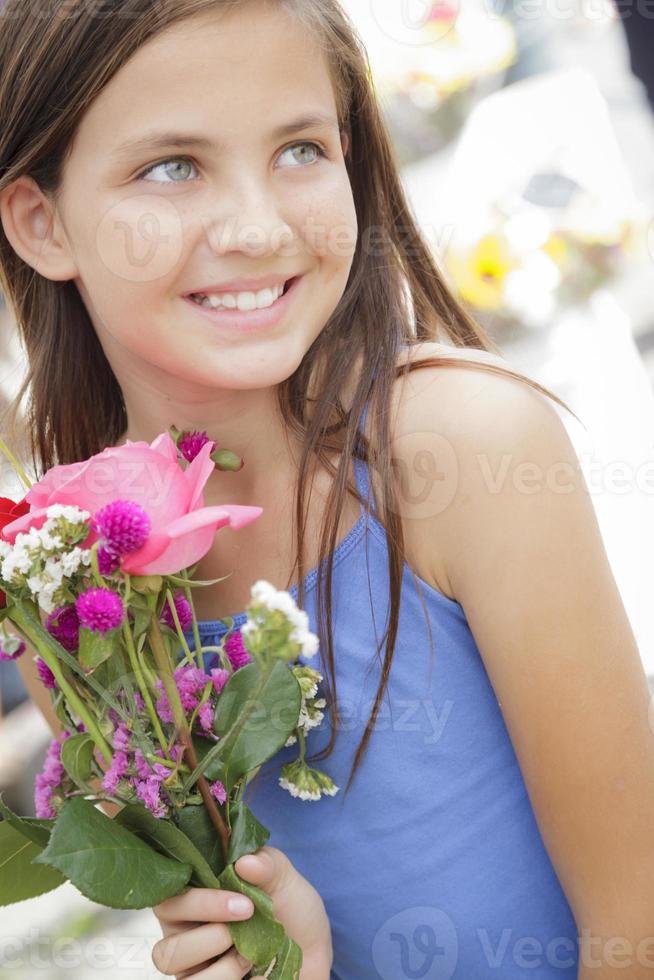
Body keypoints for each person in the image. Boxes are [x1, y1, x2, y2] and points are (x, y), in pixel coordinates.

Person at [0, 1, 652, 978]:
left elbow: (635, 928)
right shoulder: (67, 598)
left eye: (300, 148)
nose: (258, 227)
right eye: (171, 166)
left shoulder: (456, 457)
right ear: (42, 222)